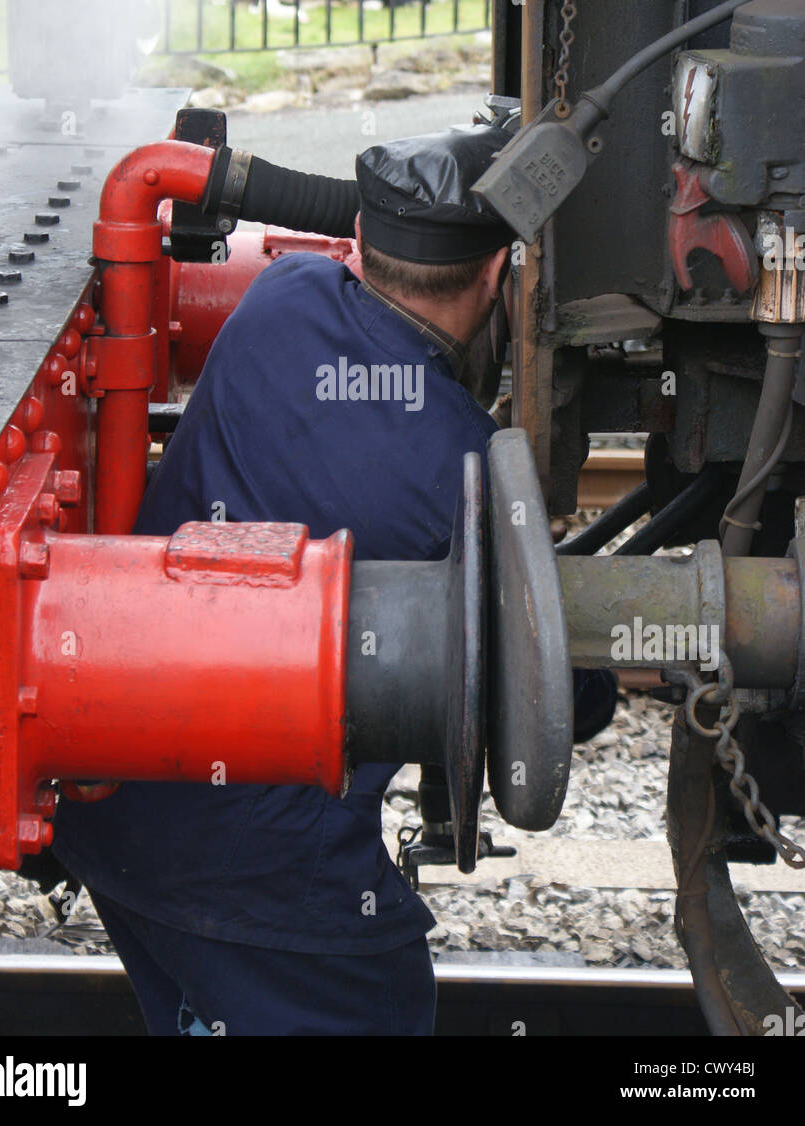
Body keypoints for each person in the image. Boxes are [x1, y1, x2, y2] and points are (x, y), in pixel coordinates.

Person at [53, 122, 617, 1036]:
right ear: (490, 278)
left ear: (360, 251)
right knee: (378, 999)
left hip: (120, 810)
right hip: (257, 873)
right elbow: (569, 694)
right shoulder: (462, 468)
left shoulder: (281, 294)